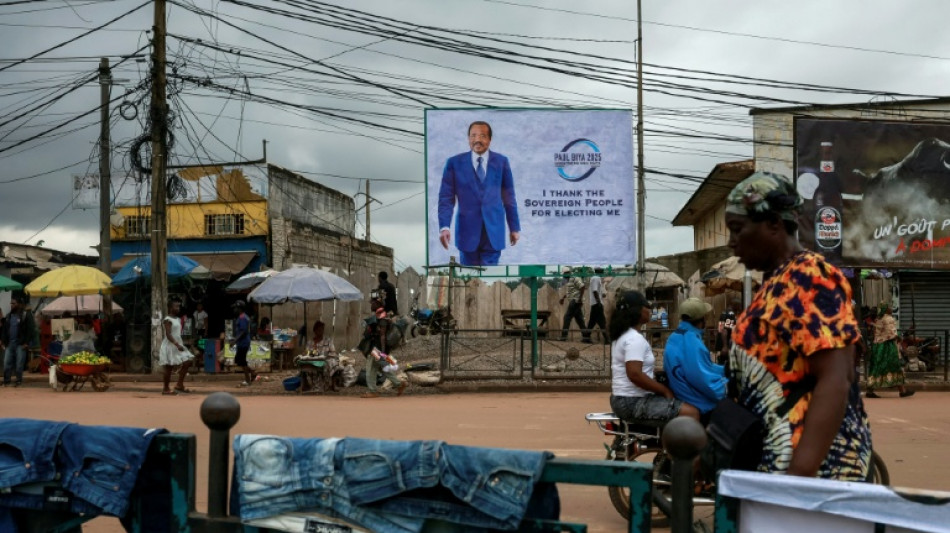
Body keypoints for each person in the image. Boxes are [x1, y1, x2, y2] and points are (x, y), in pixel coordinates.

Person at [724, 171, 871, 480]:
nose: (731, 241)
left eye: (737, 229)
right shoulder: (777, 282)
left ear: (774, 225)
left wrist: (797, 476)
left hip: (815, 471)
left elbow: (836, 379)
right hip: (775, 460)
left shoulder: (810, 276)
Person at [609, 290, 700, 426]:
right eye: (647, 306)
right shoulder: (634, 339)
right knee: (692, 413)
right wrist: (664, 390)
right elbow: (634, 374)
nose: (650, 310)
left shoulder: (624, 335)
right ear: (638, 311)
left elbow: (635, 369)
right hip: (632, 402)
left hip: (624, 399)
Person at [437, 120, 521, 266]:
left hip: (493, 232)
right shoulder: (454, 163)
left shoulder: (501, 162)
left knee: (489, 278)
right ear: (468, 138)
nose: (477, 140)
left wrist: (514, 227)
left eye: (482, 136)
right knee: (469, 278)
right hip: (466, 233)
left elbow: (509, 198)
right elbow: (446, 198)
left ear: (489, 139)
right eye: (473, 135)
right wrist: (444, 227)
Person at [663, 298, 727, 419]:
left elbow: (705, 367)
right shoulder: (692, 342)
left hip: (683, 393)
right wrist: (727, 387)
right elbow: (705, 381)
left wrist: (724, 369)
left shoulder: (675, 337)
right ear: (702, 319)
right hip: (696, 400)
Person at [866, 304, 914, 398]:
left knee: (877, 367)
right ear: (886, 309)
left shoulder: (878, 318)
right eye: (889, 307)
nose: (891, 309)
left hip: (877, 346)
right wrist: (899, 338)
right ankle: (902, 391)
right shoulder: (888, 318)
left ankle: (870, 390)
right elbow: (891, 333)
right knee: (895, 366)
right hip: (887, 346)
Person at [159, 298, 194, 395]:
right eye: (176, 306)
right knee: (169, 367)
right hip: (170, 345)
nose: (178, 308)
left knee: (187, 362)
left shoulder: (178, 319)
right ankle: (166, 389)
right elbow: (168, 334)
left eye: (179, 306)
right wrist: (176, 344)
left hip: (178, 344)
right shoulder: (167, 320)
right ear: (170, 308)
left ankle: (179, 385)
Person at [0, 296, 37, 387]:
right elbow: (5, 330)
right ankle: (6, 381)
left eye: (14, 303)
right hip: (10, 344)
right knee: (6, 363)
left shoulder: (25, 315)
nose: (11, 305)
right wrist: (3, 341)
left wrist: (26, 343)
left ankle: (18, 381)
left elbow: (31, 329)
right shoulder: (9, 316)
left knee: (19, 364)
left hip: (20, 344)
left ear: (19, 304)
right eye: (11, 303)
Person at [230, 300, 257, 387]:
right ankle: (252, 372)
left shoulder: (242, 318)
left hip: (243, 342)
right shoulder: (242, 317)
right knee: (239, 360)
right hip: (242, 342)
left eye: (236, 308)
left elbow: (243, 331)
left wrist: (235, 340)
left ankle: (247, 380)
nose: (234, 310)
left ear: (239, 308)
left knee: (242, 361)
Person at [559, 267, 586, 341]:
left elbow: (582, 287)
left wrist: (580, 299)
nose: (563, 276)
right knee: (580, 320)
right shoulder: (569, 281)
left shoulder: (574, 278)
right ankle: (586, 337)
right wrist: (563, 298)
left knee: (567, 318)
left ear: (568, 273)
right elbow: (570, 292)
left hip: (575, 301)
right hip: (575, 301)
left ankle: (564, 337)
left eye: (564, 274)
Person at [585, 267, 607, 344]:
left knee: (592, 322)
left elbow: (596, 291)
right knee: (602, 322)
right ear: (600, 271)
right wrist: (598, 302)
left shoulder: (596, 278)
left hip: (596, 303)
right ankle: (607, 339)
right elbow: (594, 290)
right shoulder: (596, 278)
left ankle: (586, 337)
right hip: (597, 304)